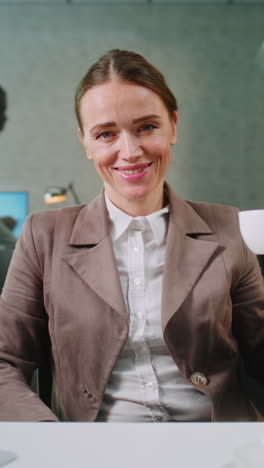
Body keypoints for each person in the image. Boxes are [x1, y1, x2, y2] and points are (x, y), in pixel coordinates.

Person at [0, 50, 263, 422]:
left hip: (220, 444)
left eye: (146, 127)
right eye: (106, 134)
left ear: (173, 125)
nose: (130, 151)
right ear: (86, 143)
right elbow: (4, 361)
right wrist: (51, 441)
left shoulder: (227, 228)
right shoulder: (44, 236)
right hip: (96, 451)